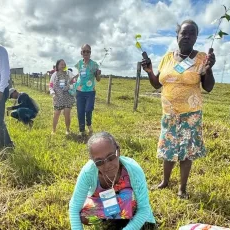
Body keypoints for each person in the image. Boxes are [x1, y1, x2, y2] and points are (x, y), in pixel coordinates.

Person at [141, 19, 216, 199]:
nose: (187, 36)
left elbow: (209, 87)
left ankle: (182, 188)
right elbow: (156, 83)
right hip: (169, 114)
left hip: (190, 114)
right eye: (184, 33)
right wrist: (150, 71)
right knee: (168, 150)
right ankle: (165, 182)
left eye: (192, 33)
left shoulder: (201, 58)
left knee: (186, 152)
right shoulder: (167, 57)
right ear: (177, 36)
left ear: (196, 37)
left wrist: (209, 69)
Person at [69, 132, 156, 230]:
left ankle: (122, 222)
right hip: (105, 206)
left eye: (111, 157)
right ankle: (109, 224)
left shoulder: (133, 169)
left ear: (118, 151)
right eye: (99, 162)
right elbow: (74, 207)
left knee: (128, 199)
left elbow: (144, 209)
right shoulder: (88, 172)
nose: (107, 165)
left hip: (130, 208)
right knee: (86, 215)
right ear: (93, 161)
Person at [74, 44, 101, 136]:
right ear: (81, 53)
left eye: (88, 51)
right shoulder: (79, 63)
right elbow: (80, 75)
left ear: (90, 53)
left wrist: (98, 74)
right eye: (84, 51)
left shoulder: (94, 65)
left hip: (90, 91)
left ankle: (88, 124)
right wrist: (72, 79)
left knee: (88, 109)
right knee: (80, 111)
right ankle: (82, 130)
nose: (86, 53)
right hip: (79, 91)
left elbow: (98, 79)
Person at [49, 59, 75, 135]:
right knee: (56, 114)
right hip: (58, 97)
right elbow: (51, 85)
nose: (63, 65)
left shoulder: (69, 73)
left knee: (67, 113)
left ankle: (67, 129)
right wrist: (53, 93)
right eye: (61, 64)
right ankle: (53, 130)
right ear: (57, 65)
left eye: (64, 64)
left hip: (68, 96)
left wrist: (70, 86)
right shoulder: (54, 74)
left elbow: (74, 81)